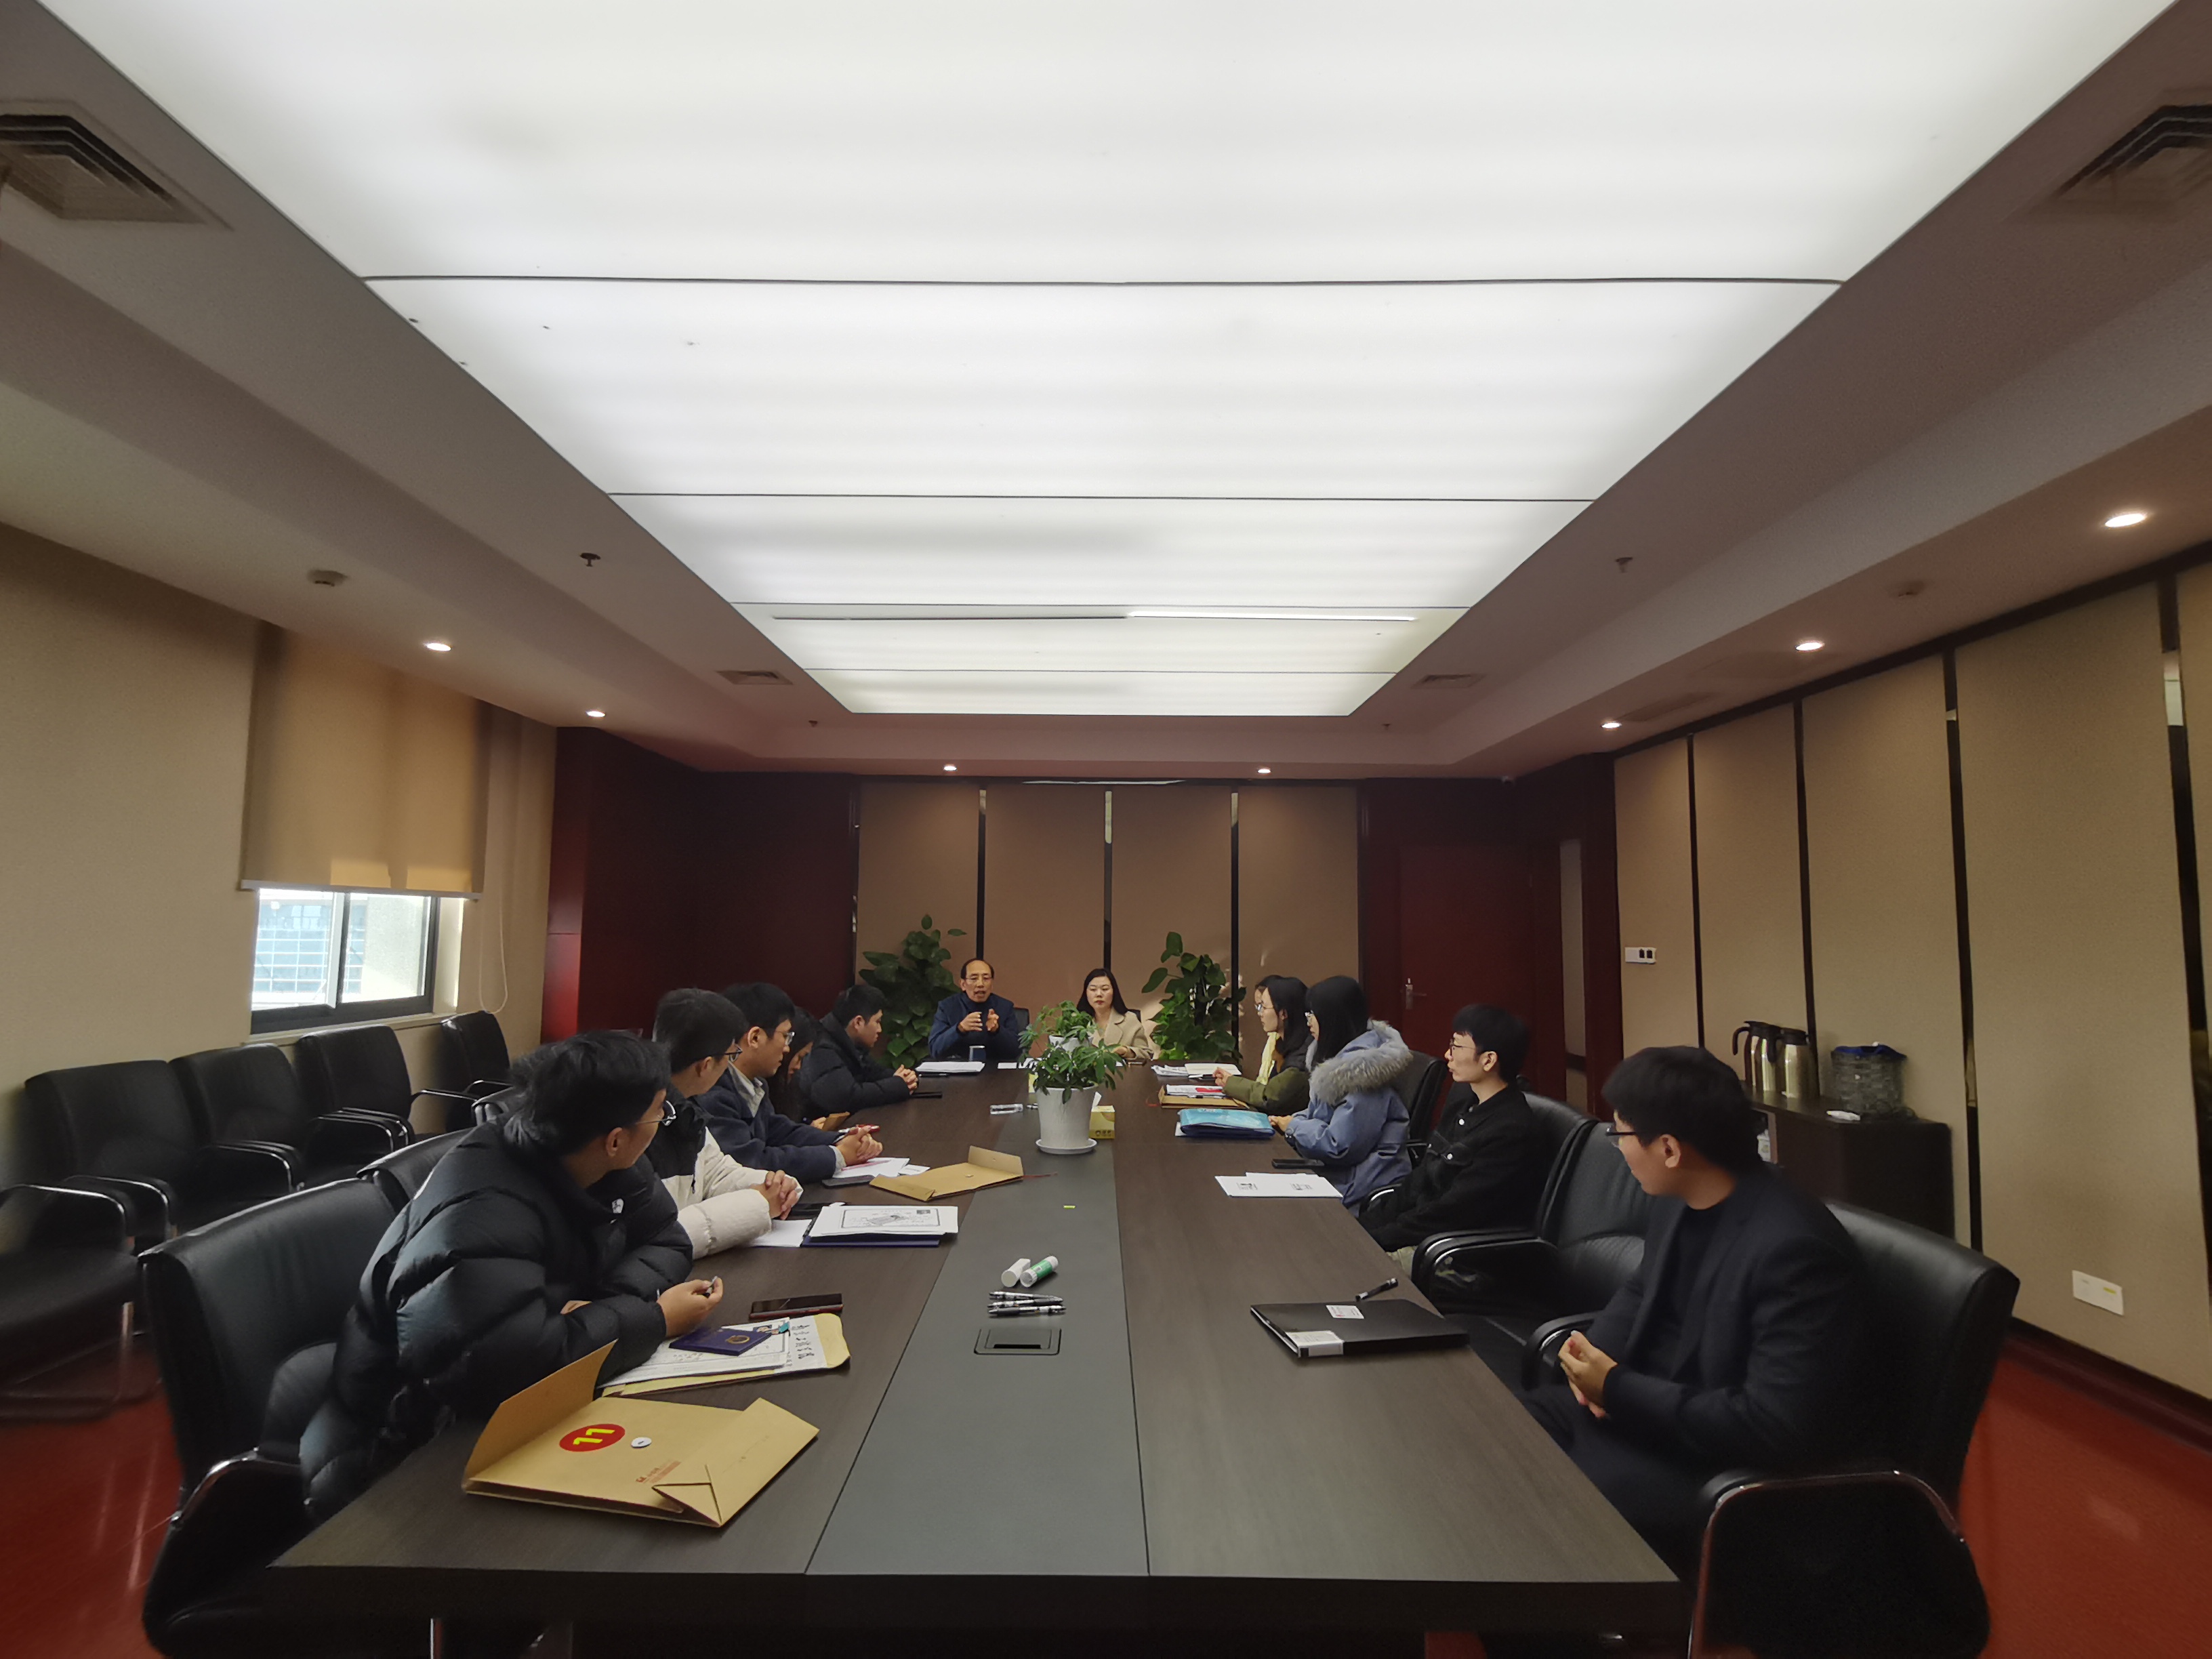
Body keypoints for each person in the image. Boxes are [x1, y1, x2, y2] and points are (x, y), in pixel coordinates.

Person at [300, 1031, 720, 1520]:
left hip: (496, 1413)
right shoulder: (480, 1215)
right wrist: (653, 1319)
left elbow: (667, 1238)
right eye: (658, 1114)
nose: (664, 1122)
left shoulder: (597, 1155)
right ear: (615, 1139)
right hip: (399, 1458)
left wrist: (610, 1304)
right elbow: (507, 1368)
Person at [1519, 1046, 1869, 1571]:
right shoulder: (1682, 1198)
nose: (1618, 1148)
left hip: (1714, 1467)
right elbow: (1642, 1290)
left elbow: (1771, 1426)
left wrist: (1616, 1387)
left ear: (1669, 1149)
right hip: (1643, 1419)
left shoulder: (1795, 1251)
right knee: (1498, 1437)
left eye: (1621, 1134)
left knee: (1541, 1514)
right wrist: (1588, 1356)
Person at [1361, 1004, 1547, 1266]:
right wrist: (1365, 1226)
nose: (1448, 1054)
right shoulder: (1464, 1100)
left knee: (1343, 1267)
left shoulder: (1511, 1130)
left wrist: (1378, 1239)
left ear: (1488, 1060)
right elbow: (1422, 1178)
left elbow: (1454, 1212)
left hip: (1451, 1254)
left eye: (1457, 1046)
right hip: (1419, 1231)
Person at [649, 988, 802, 1254]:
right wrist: (758, 1205)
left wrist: (773, 1183)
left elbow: (716, 1171)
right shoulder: (642, 1119)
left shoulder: (684, 1109)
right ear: (706, 1065)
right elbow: (660, 1231)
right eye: (731, 1056)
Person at [696, 981, 882, 1180]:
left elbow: (780, 1131)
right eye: (786, 1036)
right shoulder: (714, 1092)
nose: (787, 1048)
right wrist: (837, 1155)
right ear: (755, 1038)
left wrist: (842, 1139)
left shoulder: (754, 1083)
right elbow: (751, 1161)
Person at [1272, 976, 1412, 1208]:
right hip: (1337, 1175)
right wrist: (1290, 1122)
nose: (1309, 1022)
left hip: (1360, 1187)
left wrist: (1294, 1127)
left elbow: (1340, 1146)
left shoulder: (1364, 1074)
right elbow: (1319, 1114)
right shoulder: (1341, 1059)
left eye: (1313, 1014)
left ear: (1333, 1018)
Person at [803, 983, 920, 1116]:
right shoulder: (823, 1048)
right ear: (858, 1022)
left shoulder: (850, 1043)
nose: (880, 1030)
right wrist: (897, 1086)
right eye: (877, 1022)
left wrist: (905, 1078)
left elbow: (873, 1073)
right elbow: (845, 1097)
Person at [1212, 975, 1310, 1113]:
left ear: (1283, 1013)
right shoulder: (1285, 1044)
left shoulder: (1301, 1060)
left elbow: (1269, 1097)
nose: (1260, 1013)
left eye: (1263, 1007)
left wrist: (1231, 1083)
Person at [927, 957, 1026, 1062]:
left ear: (992, 984)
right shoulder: (948, 1007)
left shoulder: (1005, 1007)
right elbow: (935, 1050)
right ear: (963, 984)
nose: (980, 984)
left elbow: (1016, 1052)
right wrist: (960, 1029)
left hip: (994, 1068)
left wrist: (997, 1031)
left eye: (986, 978)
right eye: (974, 979)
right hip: (959, 1068)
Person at [1077, 967, 1154, 1059]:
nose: (1099, 994)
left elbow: (1147, 1055)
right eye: (1093, 990)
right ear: (1086, 993)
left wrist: (1125, 1051)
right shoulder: (1077, 1021)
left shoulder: (1130, 1020)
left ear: (1114, 992)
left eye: (1105, 989)